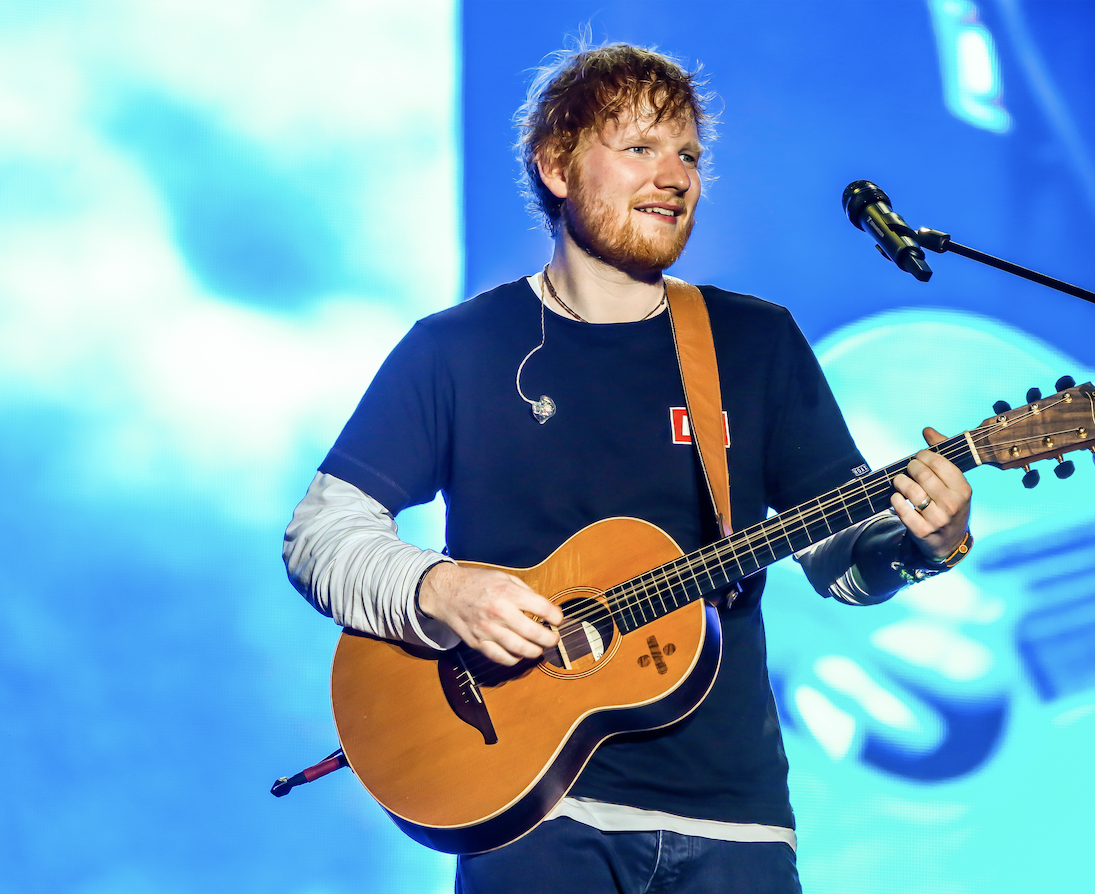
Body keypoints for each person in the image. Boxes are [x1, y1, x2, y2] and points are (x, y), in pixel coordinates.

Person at [283, 40, 972, 894]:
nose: (675, 177)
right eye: (640, 148)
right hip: (537, 817)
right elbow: (321, 531)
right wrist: (442, 591)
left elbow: (842, 562)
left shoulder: (753, 343)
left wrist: (921, 543)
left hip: (736, 823)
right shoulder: (457, 349)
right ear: (558, 165)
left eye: (688, 155)